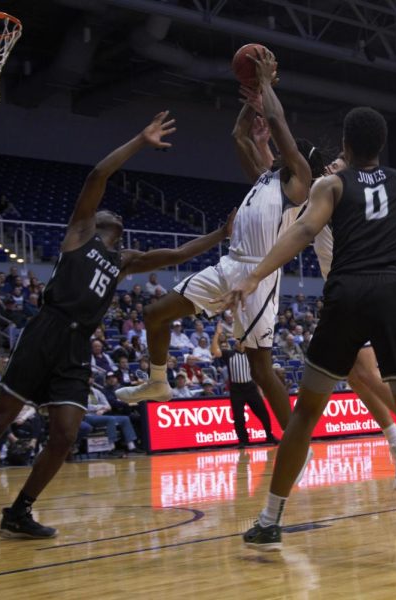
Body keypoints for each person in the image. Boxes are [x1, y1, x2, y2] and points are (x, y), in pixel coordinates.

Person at [0, 112, 235, 549]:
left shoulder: (125, 260)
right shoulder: (82, 231)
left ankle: (18, 512)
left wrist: (221, 233)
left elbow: (179, 252)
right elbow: (98, 174)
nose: (110, 210)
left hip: (75, 345)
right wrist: (140, 141)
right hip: (45, 330)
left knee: (66, 434)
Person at [224, 106, 396, 566]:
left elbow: (302, 230)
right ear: (381, 147)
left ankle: (269, 523)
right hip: (392, 300)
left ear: (346, 146)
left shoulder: (331, 185)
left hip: (345, 296)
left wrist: (254, 275)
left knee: (304, 416)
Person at [116, 49, 318, 439]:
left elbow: (276, 122)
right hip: (230, 265)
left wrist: (264, 85)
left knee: (261, 367)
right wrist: (252, 103)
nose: (274, 148)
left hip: (260, 275)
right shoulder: (264, 179)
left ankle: (296, 440)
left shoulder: (299, 185)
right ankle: (158, 381)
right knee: (156, 313)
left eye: (285, 149)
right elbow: (239, 134)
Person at [211, 322, 278, 448]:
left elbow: (256, 374)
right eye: (237, 341)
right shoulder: (229, 354)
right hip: (236, 390)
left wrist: (260, 390)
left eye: (241, 340)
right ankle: (243, 440)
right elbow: (214, 351)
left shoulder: (250, 355)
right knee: (238, 417)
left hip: (250, 387)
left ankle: (269, 435)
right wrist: (217, 334)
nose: (238, 342)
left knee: (263, 413)